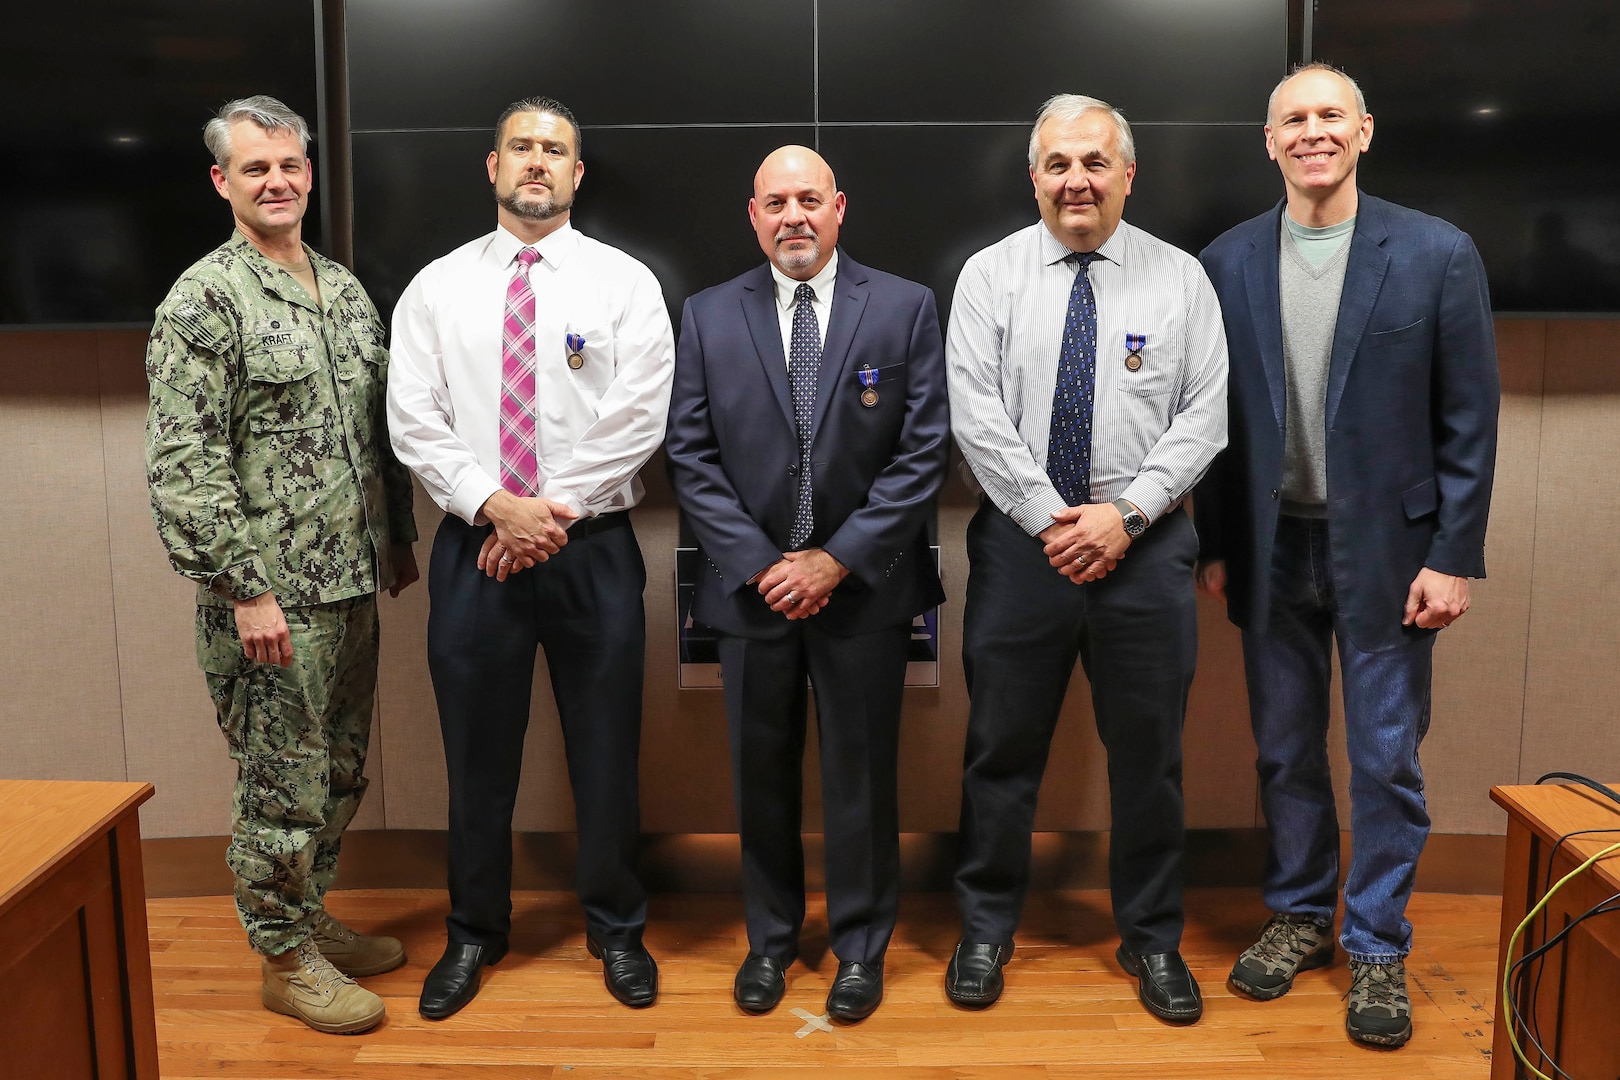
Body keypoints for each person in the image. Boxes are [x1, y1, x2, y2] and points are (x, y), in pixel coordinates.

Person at [1194, 63, 1499, 1048]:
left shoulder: (1436, 253)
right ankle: (1298, 915)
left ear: (1364, 131)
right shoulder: (1227, 260)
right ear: (1269, 139)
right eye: (1294, 119)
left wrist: (1454, 555)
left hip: (1392, 554)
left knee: (1383, 760)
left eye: (1331, 116)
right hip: (1269, 549)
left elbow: (1468, 421)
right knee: (1284, 750)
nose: (1312, 132)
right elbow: (1211, 418)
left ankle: (1375, 942)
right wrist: (1216, 542)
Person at [387, 96, 674, 1019]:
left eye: (555, 150)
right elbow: (412, 419)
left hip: (591, 551)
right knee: (475, 759)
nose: (538, 163)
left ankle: (617, 930)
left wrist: (546, 516)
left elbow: (641, 415)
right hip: (477, 551)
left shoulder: (626, 283)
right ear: (493, 166)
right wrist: (493, 507)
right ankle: (474, 933)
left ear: (577, 173)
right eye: (522, 148)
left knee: (606, 753)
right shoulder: (436, 288)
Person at [944, 94, 1228, 1022]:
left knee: (1149, 762)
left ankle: (1152, 940)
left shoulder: (1181, 278)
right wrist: (1050, 518)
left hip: (1144, 552)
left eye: (1096, 164)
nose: (1077, 180)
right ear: (1034, 177)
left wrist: (1126, 516)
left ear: (1128, 175)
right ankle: (986, 927)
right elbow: (975, 416)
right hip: (1023, 549)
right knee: (999, 752)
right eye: (1060, 164)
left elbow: (1205, 416)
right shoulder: (989, 277)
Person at [145, 95, 419, 1035]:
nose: (277, 182)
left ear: (309, 172)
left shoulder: (341, 291)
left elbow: (372, 435)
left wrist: (399, 540)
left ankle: (307, 917)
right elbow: (184, 468)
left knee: (339, 770)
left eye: (290, 166)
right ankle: (280, 955)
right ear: (222, 180)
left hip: (349, 584)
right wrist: (245, 589)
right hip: (270, 602)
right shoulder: (204, 302)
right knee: (279, 783)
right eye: (254, 168)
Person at [664, 145, 948, 1022]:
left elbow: (923, 450)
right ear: (753, 214)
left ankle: (861, 949)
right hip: (752, 597)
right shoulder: (709, 314)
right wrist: (762, 565)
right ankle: (772, 942)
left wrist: (835, 559)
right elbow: (690, 454)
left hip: (863, 591)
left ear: (839, 208)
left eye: (810, 200)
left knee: (862, 778)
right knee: (761, 776)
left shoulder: (902, 307)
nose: (794, 216)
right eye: (777, 202)